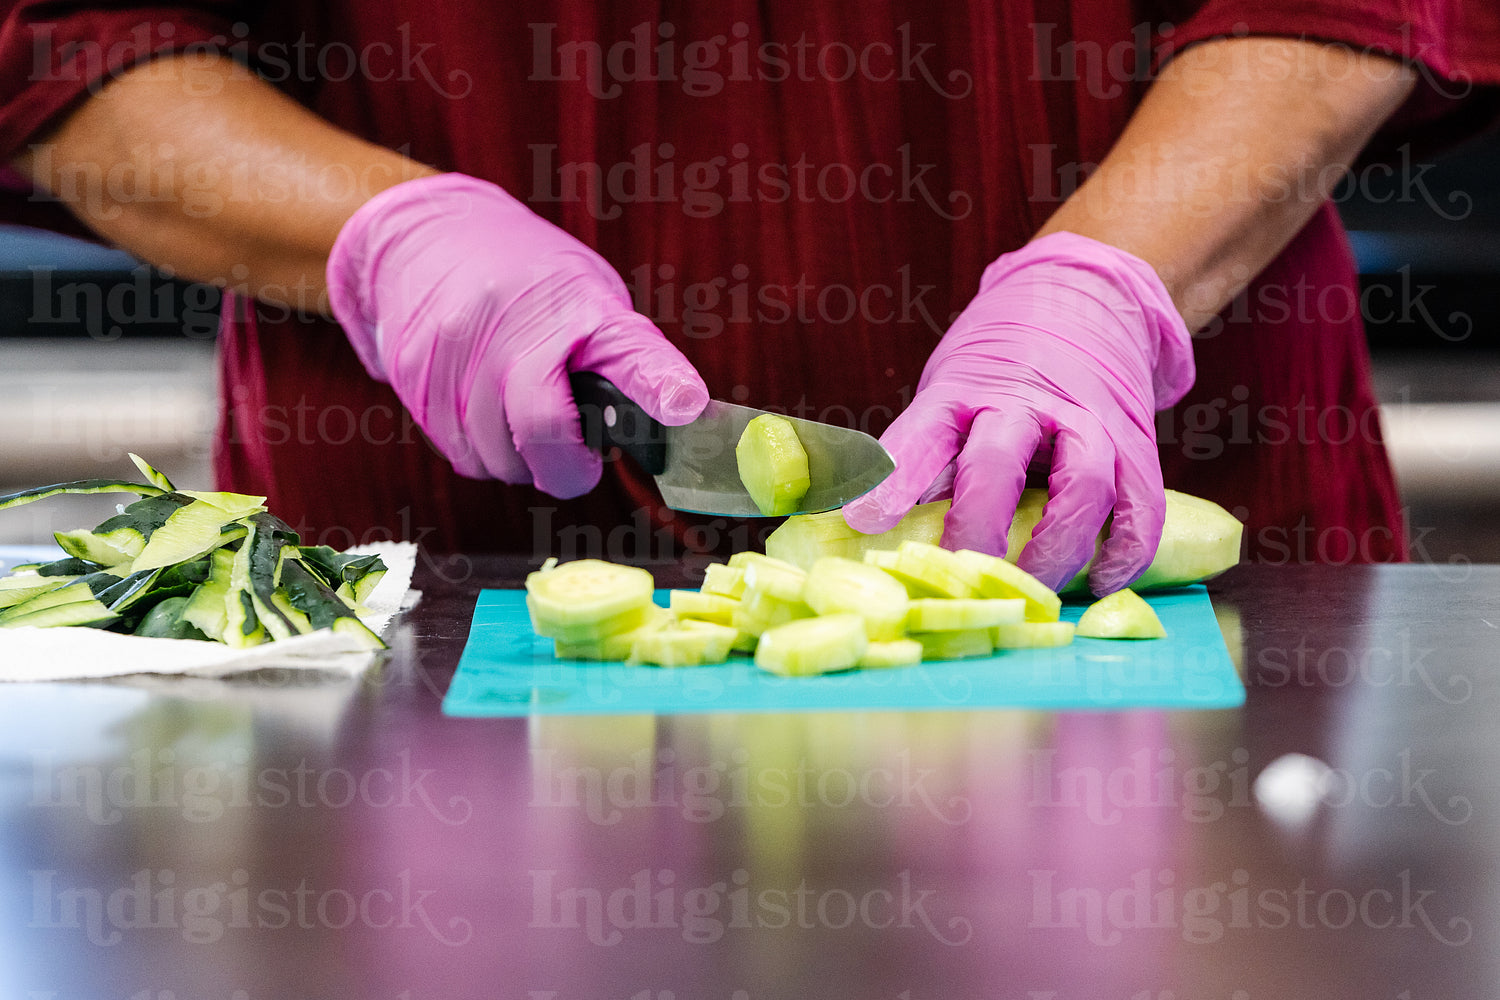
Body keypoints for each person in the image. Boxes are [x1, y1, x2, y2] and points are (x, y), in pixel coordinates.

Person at [0, 2, 1496, 593]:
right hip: (436, 605)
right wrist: (387, 231)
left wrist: (1105, 283)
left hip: (1152, 561)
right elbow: (61, 42)